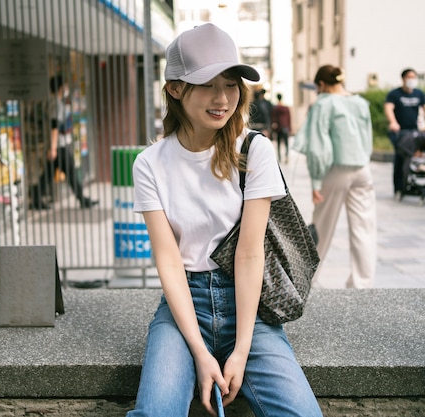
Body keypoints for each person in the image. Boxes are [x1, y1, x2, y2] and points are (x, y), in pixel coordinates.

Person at [128, 23, 323, 417]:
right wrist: (201, 353)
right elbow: (168, 261)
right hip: (186, 306)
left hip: (248, 306)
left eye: (231, 84)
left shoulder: (254, 150)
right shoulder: (150, 164)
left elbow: (250, 255)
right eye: (207, 85)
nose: (222, 99)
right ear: (176, 88)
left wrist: (241, 350)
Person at [293, 64, 376, 289]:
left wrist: (316, 182)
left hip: (336, 170)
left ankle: (307, 281)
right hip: (362, 169)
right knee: (364, 227)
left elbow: (319, 147)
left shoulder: (324, 103)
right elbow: (368, 140)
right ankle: (362, 283)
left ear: (321, 84)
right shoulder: (360, 102)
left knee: (322, 227)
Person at [32, 74, 98, 209]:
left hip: (57, 146)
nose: (67, 88)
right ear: (61, 87)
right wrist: (54, 147)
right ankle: (82, 200)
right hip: (59, 146)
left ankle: (36, 198)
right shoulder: (55, 103)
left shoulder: (55, 102)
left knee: (48, 175)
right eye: (66, 85)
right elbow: (54, 126)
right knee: (71, 173)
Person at [384, 68, 425, 199]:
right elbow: (389, 108)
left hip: (413, 131)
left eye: (414, 77)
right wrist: (393, 122)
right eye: (409, 77)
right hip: (399, 132)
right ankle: (398, 188)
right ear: (403, 78)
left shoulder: (418, 94)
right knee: (400, 158)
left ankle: (409, 183)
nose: (411, 80)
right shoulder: (395, 94)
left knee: (413, 158)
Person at [271, 93, 292, 163]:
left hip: (278, 127)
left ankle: (279, 158)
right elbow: (289, 118)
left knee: (279, 143)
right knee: (286, 143)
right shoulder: (286, 108)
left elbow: (273, 118)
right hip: (285, 126)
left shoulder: (276, 108)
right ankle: (286, 156)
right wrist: (290, 127)